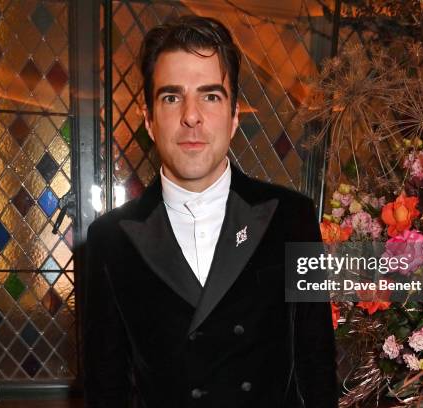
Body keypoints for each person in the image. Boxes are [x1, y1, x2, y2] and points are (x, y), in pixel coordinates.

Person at [83, 15, 338, 408]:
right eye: (171, 97)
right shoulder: (108, 239)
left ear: (234, 116)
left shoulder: (294, 218)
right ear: (149, 120)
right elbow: (106, 389)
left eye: (210, 95)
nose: (191, 115)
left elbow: (317, 367)